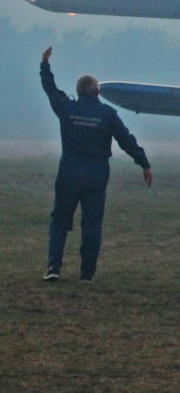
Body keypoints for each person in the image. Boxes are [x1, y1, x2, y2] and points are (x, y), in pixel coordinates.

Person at [39, 47, 153, 282]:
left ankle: (53, 268)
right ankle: (86, 274)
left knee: (60, 220)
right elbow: (126, 140)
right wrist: (144, 163)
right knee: (92, 225)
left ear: (78, 92)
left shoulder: (67, 107)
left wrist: (45, 64)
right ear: (97, 92)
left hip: (69, 172)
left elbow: (50, 89)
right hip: (96, 175)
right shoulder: (107, 114)